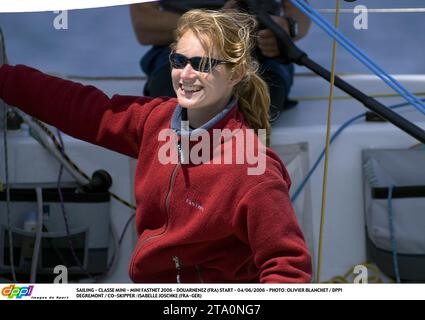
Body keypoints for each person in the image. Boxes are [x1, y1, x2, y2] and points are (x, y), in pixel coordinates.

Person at [0, 9, 311, 283]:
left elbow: (288, 269)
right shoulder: (154, 120)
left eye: (202, 63)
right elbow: (80, 108)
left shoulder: (253, 170)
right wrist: (6, 79)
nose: (186, 75)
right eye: (179, 60)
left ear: (236, 74)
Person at [130, 0, 311, 122]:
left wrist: (287, 27)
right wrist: (217, 24)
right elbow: (144, 24)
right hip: (179, 48)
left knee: (257, 108)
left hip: (259, 49)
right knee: (175, 110)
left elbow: (299, 12)